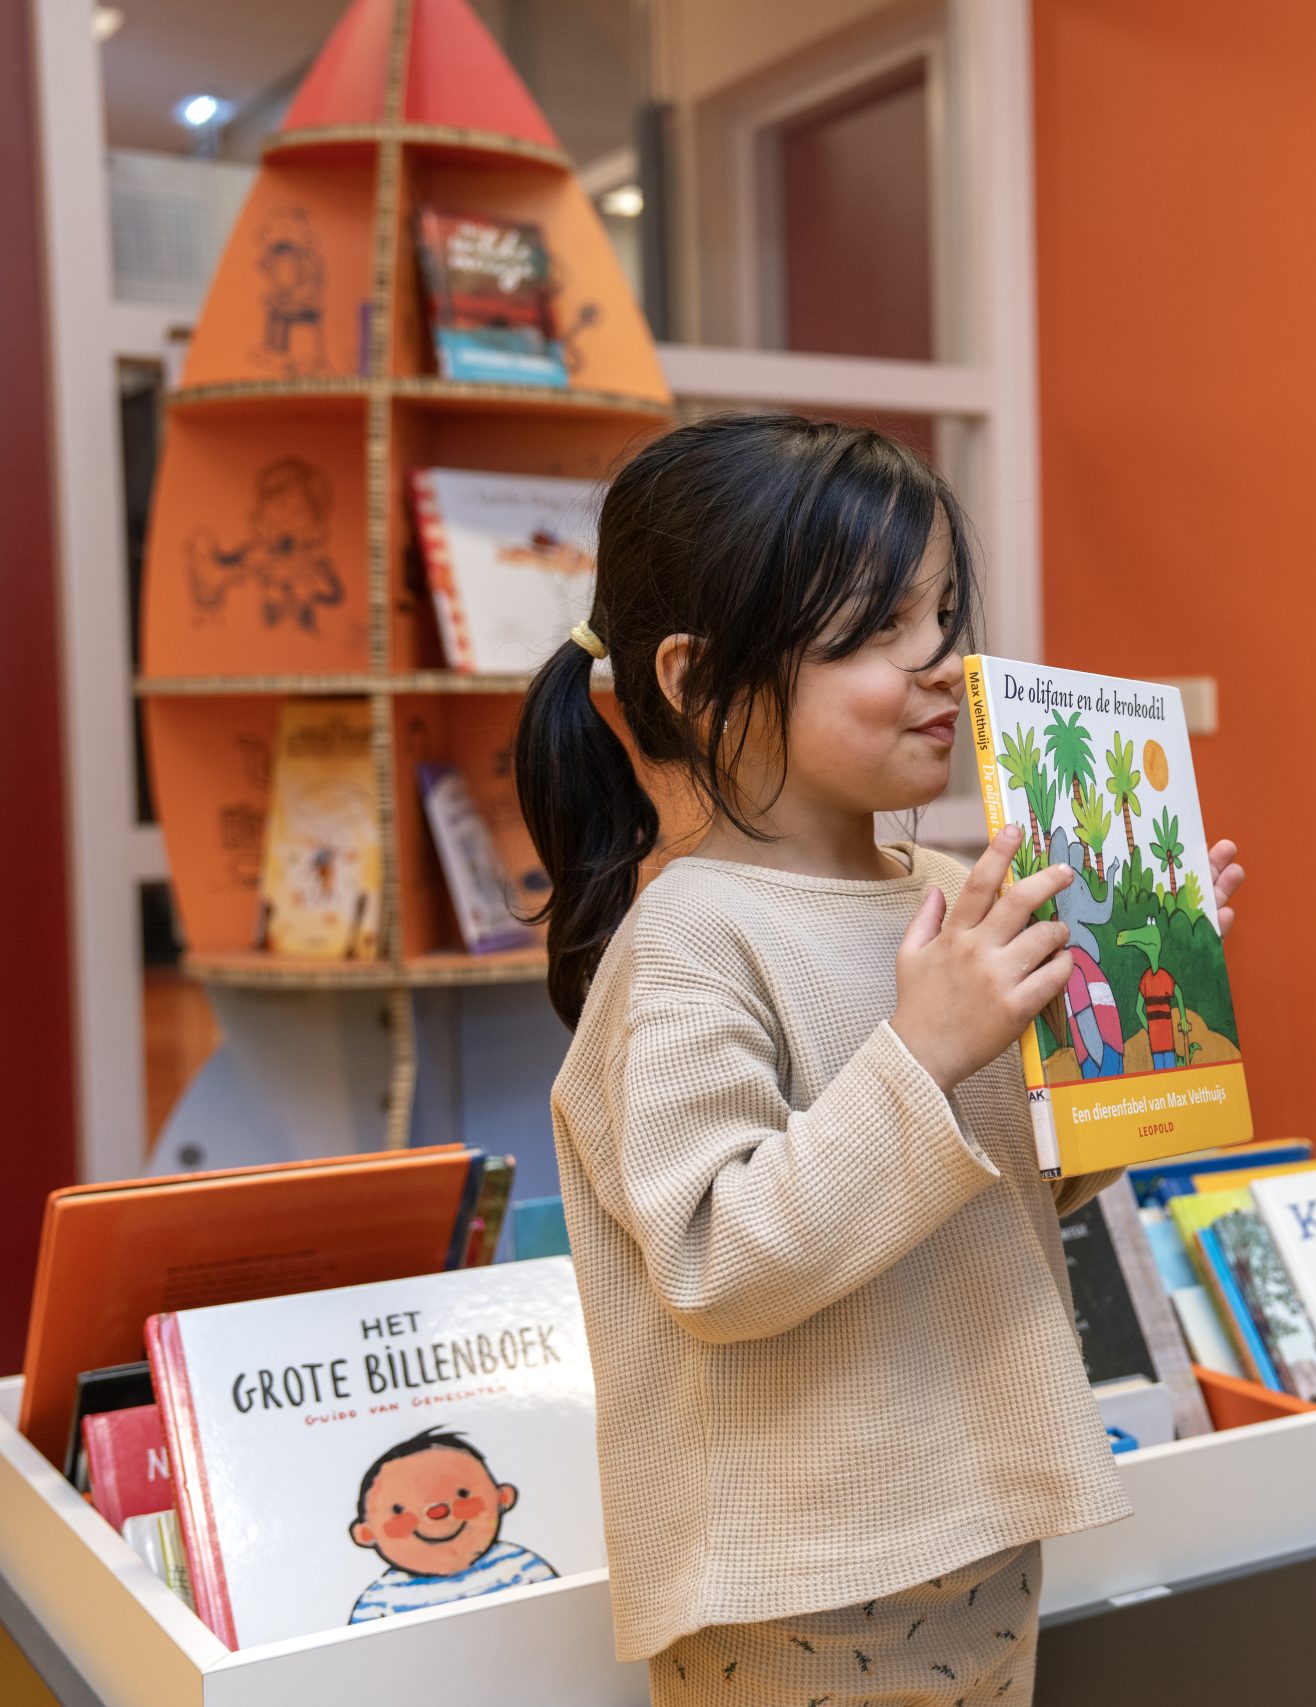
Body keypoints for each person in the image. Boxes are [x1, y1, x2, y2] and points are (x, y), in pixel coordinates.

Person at [515, 415, 1244, 1705]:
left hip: (978, 1518)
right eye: (870, 632)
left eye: (945, 619)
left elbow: (984, 1181)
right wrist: (927, 1045)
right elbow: (716, 1257)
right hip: (795, 1569)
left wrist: (1133, 1015)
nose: (940, 668)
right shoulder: (689, 937)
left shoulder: (949, 889)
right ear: (691, 678)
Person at [346, 1428, 556, 1623]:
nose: (437, 1513)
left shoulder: (519, 1566)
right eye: (399, 1510)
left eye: (463, 1494)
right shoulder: (380, 1602)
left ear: (502, 1498)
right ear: (366, 1533)